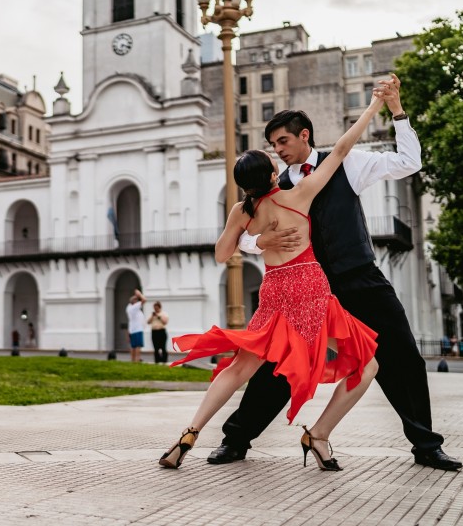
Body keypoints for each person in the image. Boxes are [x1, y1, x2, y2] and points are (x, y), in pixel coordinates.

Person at [207, 74, 462, 472]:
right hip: (308, 288)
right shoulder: (275, 186)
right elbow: (239, 235)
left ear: (304, 135)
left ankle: (427, 446)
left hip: (360, 278)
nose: (278, 151)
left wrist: (396, 110)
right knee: (278, 366)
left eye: (283, 142)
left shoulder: (348, 162)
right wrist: (259, 242)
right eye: (273, 145)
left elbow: (410, 162)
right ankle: (236, 440)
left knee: (401, 357)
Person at [159, 82, 387, 472]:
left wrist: (254, 238)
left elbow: (221, 254)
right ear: (272, 173)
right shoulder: (298, 195)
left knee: (239, 369)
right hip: (310, 293)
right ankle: (319, 434)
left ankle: (189, 433)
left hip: (275, 294)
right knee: (367, 366)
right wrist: (373, 107)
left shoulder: (242, 211)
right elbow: (341, 149)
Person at [126, 289, 146, 363]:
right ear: (134, 302)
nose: (138, 301)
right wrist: (139, 294)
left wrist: (128, 332)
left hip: (132, 329)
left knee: (133, 346)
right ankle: (137, 360)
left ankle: (133, 360)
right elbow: (144, 300)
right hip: (138, 329)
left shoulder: (129, 307)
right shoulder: (134, 307)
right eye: (137, 300)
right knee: (138, 346)